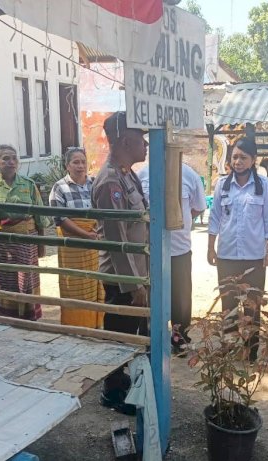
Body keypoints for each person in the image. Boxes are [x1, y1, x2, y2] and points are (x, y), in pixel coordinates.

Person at [92, 111, 149, 414]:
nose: (146, 145)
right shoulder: (110, 181)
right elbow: (116, 240)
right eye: (142, 139)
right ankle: (112, 391)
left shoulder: (128, 174)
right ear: (126, 140)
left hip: (137, 270)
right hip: (121, 276)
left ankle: (121, 382)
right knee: (119, 335)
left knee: (130, 332)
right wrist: (133, 285)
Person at [138, 161, 207, 351]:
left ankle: (180, 338)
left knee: (181, 297)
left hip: (179, 247)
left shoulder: (188, 174)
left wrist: (180, 221)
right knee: (149, 294)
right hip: (149, 248)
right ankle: (149, 339)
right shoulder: (142, 174)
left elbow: (199, 206)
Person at [0, 144, 50, 321]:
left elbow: (39, 217)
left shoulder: (29, 184)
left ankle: (29, 316)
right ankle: (8, 317)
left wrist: (41, 243)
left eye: (14, 158)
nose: (11, 162)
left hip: (27, 241)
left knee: (27, 279)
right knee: (5, 280)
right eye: (5, 158)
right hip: (1, 243)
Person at [207, 137, 268, 313]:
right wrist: (210, 248)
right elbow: (214, 218)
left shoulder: (264, 185)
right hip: (226, 257)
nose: (238, 162)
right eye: (235, 157)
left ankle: (251, 342)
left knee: (252, 310)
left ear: (253, 160)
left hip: (254, 258)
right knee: (228, 310)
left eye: (243, 157)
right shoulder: (222, 185)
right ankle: (228, 342)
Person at [49, 146, 105, 328]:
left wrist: (95, 231)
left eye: (83, 162)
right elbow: (61, 218)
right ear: (67, 166)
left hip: (95, 241)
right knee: (75, 283)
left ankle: (97, 324)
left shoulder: (94, 183)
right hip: (72, 244)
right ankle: (77, 325)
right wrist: (85, 234)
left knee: (97, 282)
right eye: (75, 162)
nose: (80, 166)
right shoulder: (59, 187)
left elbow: (102, 210)